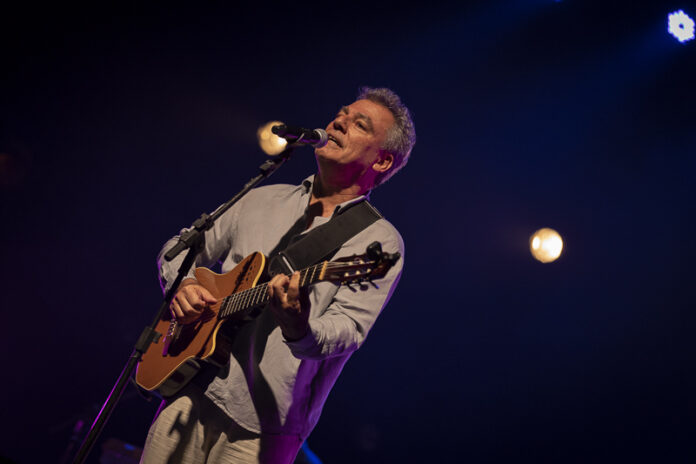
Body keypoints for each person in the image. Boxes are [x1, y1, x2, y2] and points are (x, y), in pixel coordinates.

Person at [140, 87, 416, 464]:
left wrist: (298, 325)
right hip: (191, 388)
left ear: (382, 161)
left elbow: (348, 330)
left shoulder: (378, 243)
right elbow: (179, 249)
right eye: (341, 113)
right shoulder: (263, 197)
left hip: (262, 427)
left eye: (359, 125)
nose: (338, 122)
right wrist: (184, 285)